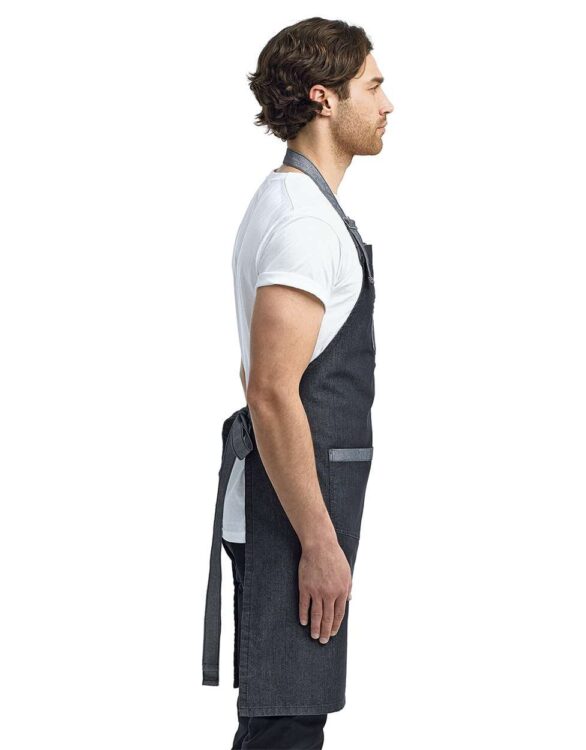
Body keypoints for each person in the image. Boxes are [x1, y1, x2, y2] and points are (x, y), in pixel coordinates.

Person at [202, 16, 393, 749]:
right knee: (285, 723)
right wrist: (319, 541)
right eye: (372, 86)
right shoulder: (303, 224)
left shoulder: (299, 208)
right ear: (324, 98)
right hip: (290, 518)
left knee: (285, 720)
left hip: (296, 504)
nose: (388, 104)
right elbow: (271, 390)